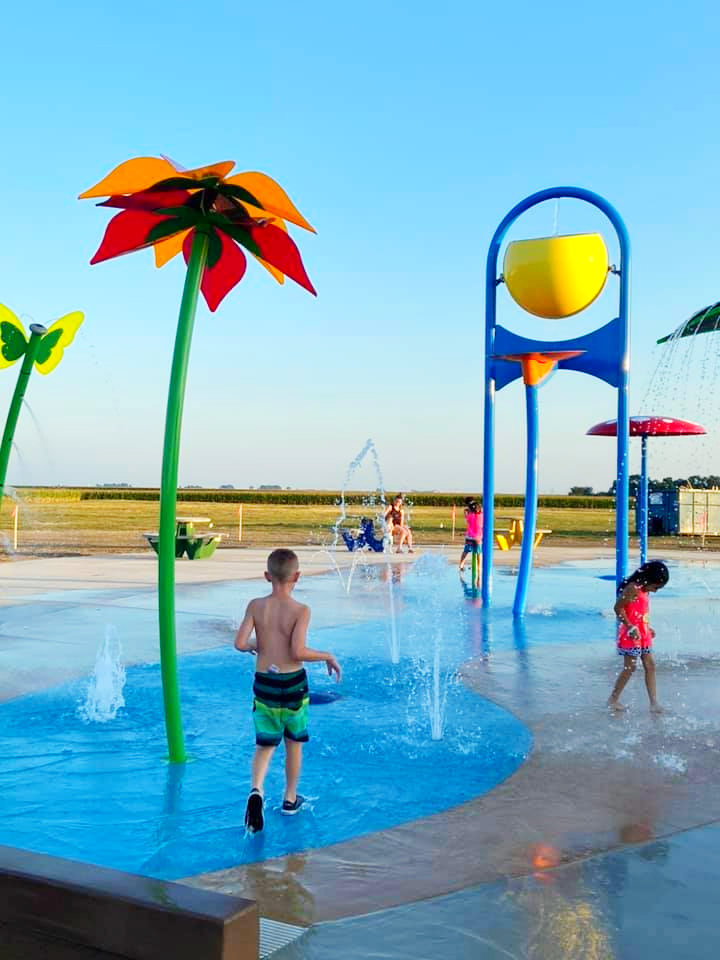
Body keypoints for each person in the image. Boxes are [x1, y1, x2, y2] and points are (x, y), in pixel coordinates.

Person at [234, 548, 342, 833]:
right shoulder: (301, 610)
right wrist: (327, 656)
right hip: (293, 684)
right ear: (297, 576)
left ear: (267, 575)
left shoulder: (256, 605)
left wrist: (257, 645)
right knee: (293, 744)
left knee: (265, 744)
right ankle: (290, 799)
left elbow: (239, 643)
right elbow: (298, 651)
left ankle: (256, 790)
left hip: (264, 684)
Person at [607, 560, 669, 714]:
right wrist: (630, 626)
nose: (655, 591)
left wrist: (647, 627)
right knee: (630, 668)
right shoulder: (632, 588)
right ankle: (613, 699)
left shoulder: (643, 589)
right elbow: (618, 608)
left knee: (650, 666)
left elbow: (639, 612)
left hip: (643, 633)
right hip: (631, 634)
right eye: (655, 587)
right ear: (648, 579)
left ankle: (654, 703)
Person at [458, 498, 483, 580]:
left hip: (469, 537)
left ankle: (461, 564)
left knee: (466, 551)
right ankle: (479, 567)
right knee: (478, 553)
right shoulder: (481, 516)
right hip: (478, 538)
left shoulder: (470, 516)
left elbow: (466, 516)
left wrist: (466, 511)